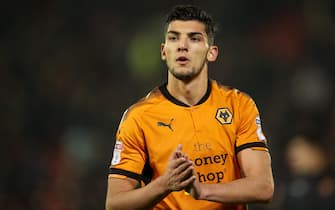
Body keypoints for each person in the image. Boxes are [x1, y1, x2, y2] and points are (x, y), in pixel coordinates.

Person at [105, 5, 274, 210]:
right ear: (163, 51)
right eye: (174, 38)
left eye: (194, 38)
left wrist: (202, 191)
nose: (182, 46)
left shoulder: (238, 105)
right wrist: (164, 184)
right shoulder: (139, 117)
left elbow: (263, 187)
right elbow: (114, 204)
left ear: (211, 53)